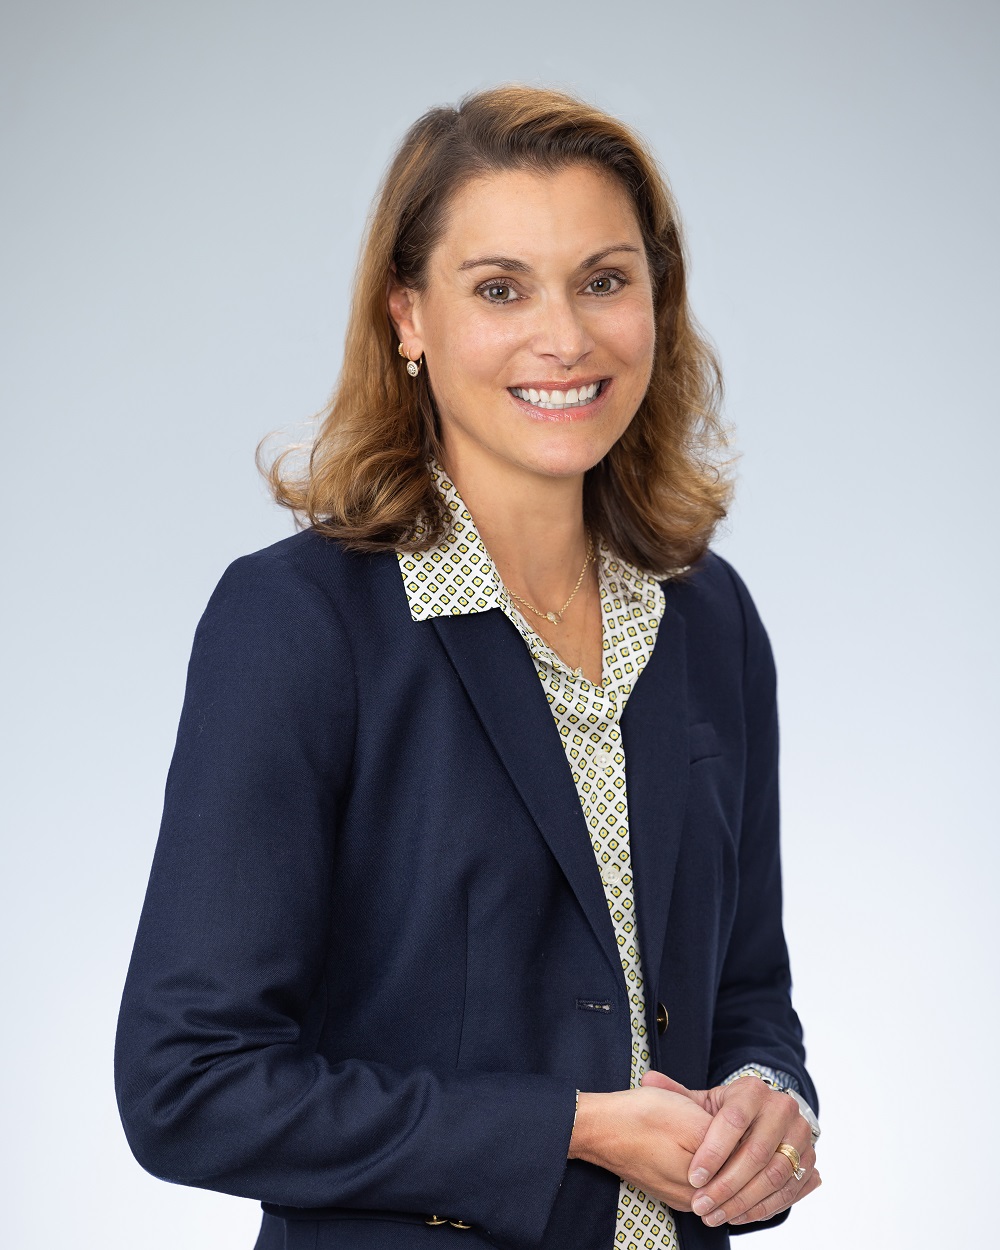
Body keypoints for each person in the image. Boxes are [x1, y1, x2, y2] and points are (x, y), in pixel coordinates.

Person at [114, 84, 821, 1250]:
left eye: (604, 280)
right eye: (499, 289)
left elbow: (746, 991)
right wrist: (569, 1126)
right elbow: (189, 1084)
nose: (565, 336)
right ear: (408, 318)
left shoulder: (708, 620)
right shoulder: (298, 624)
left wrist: (768, 1099)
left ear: (657, 301)